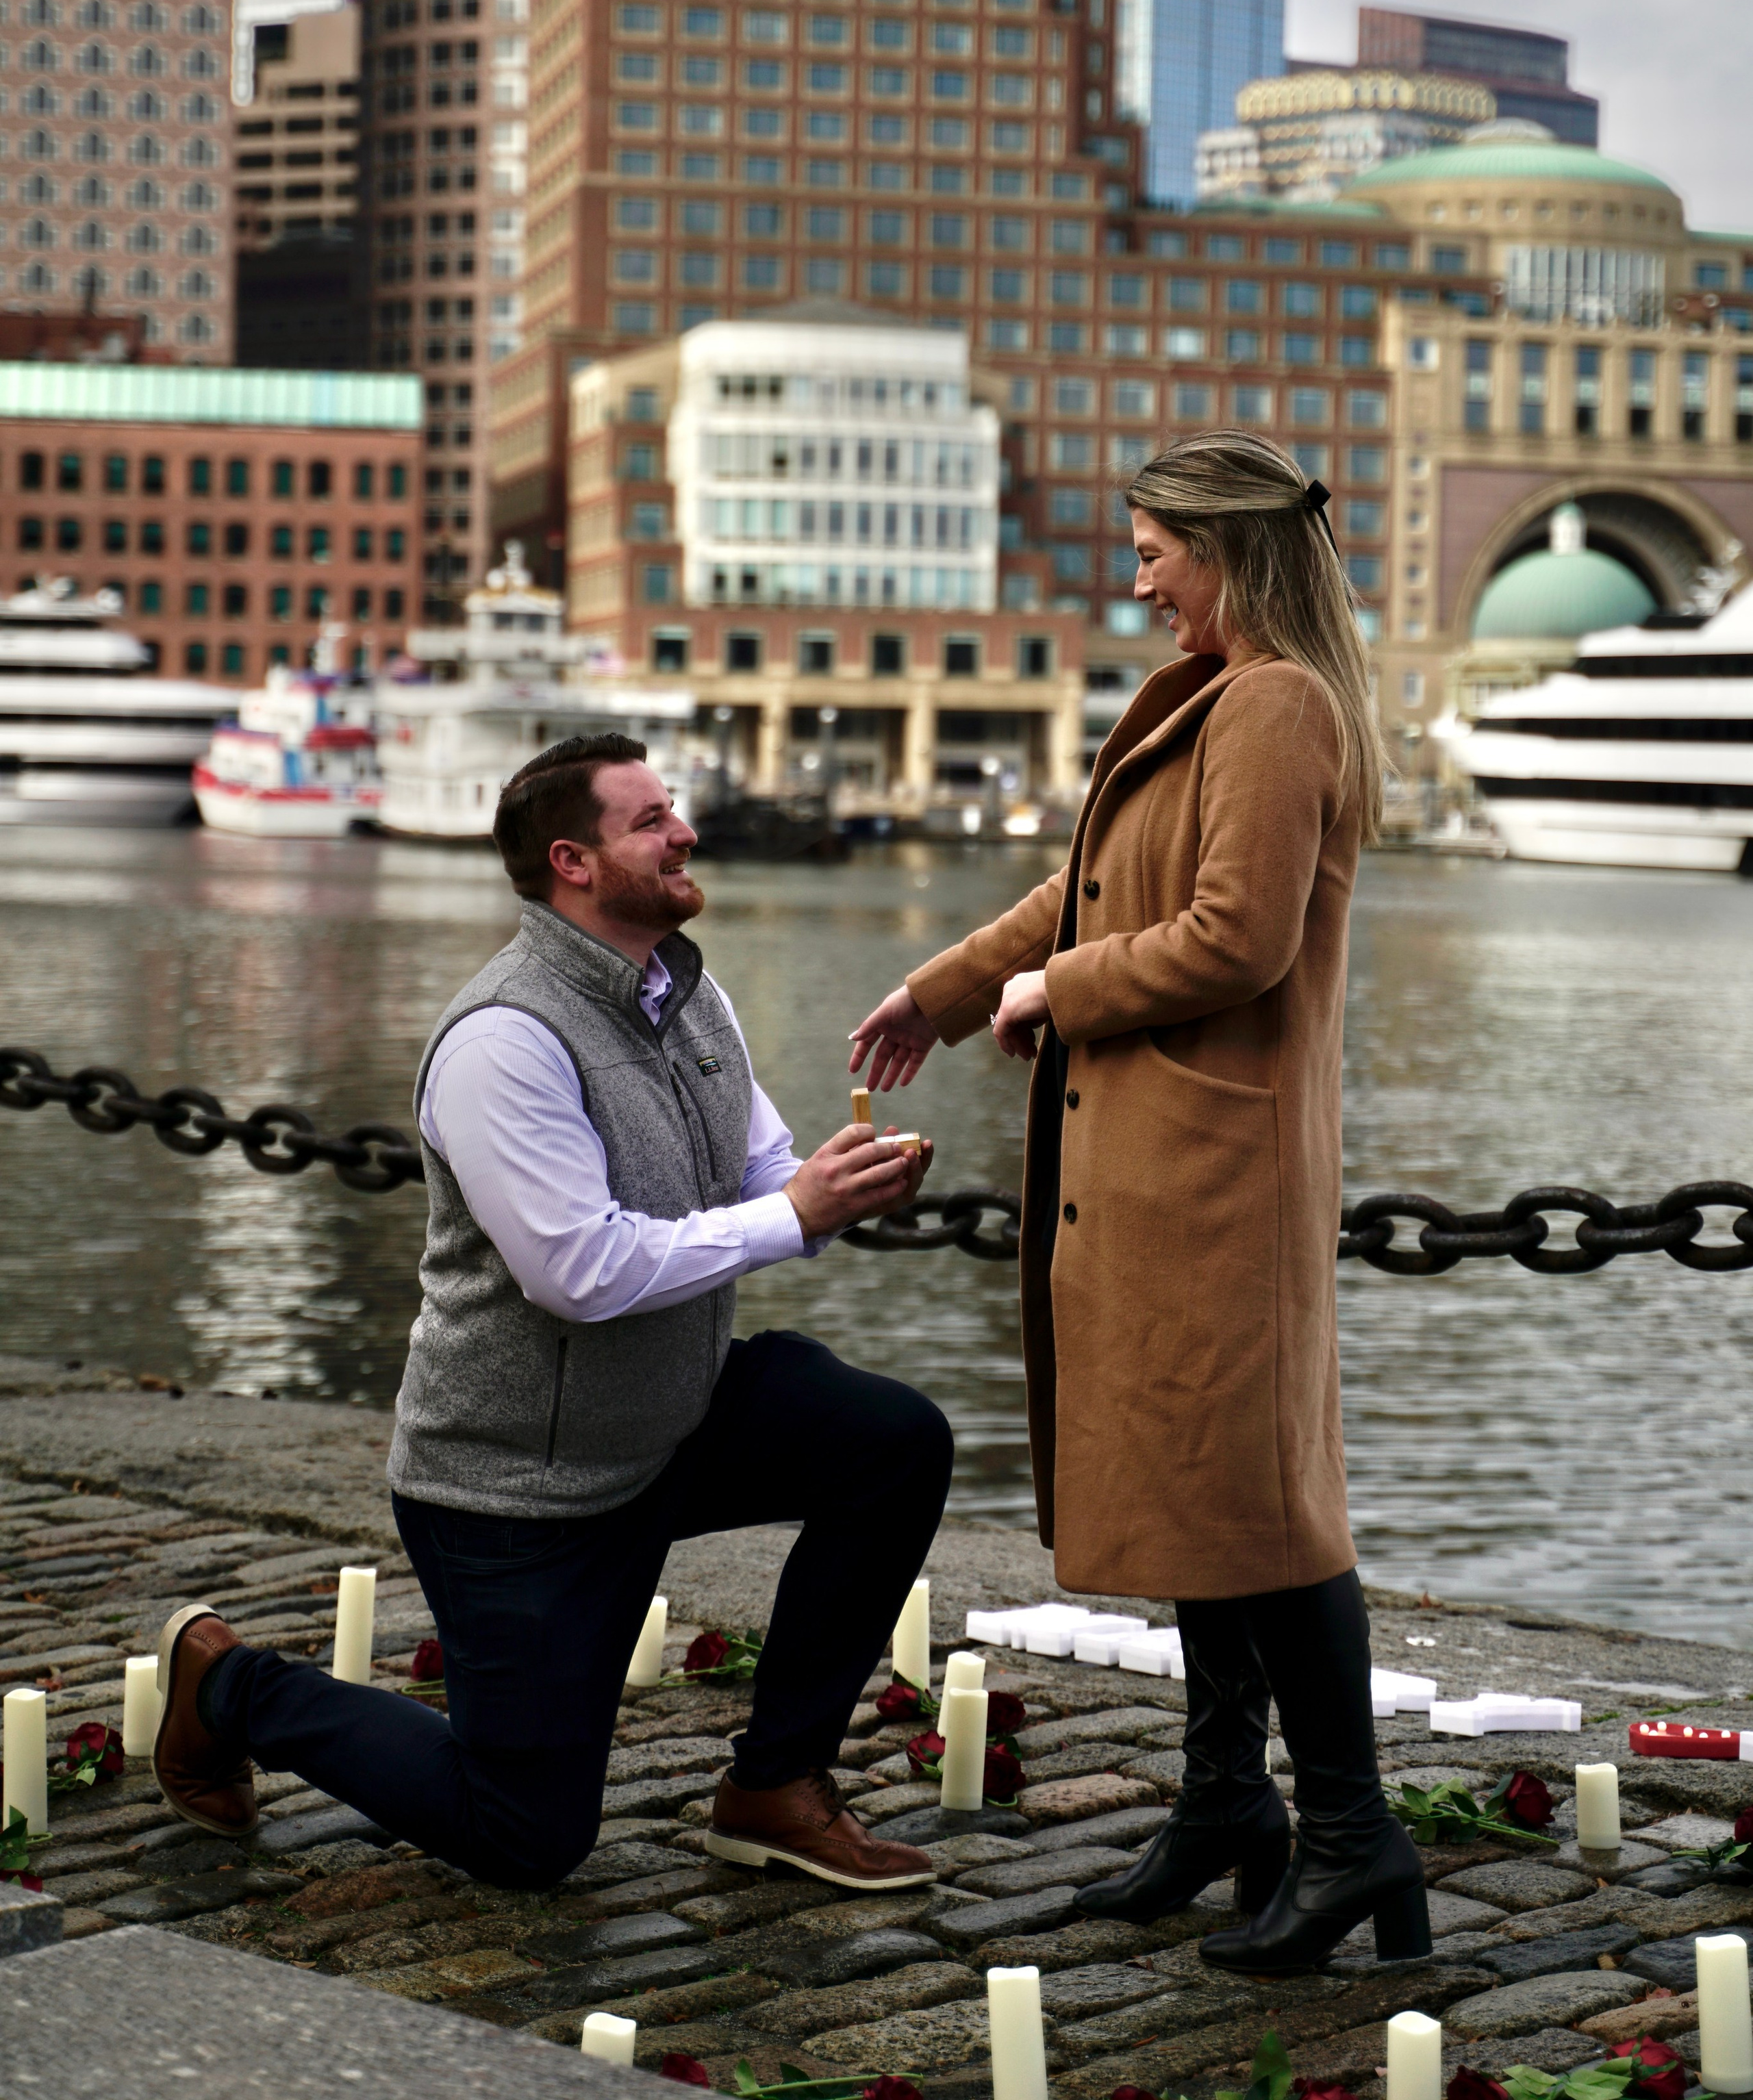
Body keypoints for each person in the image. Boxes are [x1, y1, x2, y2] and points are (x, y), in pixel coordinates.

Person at [152, 731, 954, 1895]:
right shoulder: (503, 1041)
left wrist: (835, 1188)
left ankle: (775, 1785)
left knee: (893, 1442)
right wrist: (792, 1215)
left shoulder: (689, 990)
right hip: (519, 1485)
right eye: (650, 820)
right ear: (574, 862)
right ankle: (229, 1684)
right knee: (526, 1836)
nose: (683, 830)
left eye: (671, 807)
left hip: (671, 1418)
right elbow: (577, 1271)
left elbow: (765, 1175)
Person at [850, 432, 1429, 1975]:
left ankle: (1353, 1830)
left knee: (1264, 1510)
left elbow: (1234, 936)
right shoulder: (1210, 696)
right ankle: (1228, 1802)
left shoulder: (1277, 705)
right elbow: (1089, 888)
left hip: (1213, 1173)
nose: (1134, 574)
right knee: (1198, 1486)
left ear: (1225, 553)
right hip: (1165, 1164)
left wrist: (1059, 991)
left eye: (1153, 549)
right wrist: (946, 990)